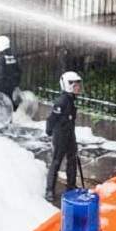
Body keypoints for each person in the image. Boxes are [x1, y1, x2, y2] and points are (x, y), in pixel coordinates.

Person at [45, 71, 82, 202]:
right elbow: (52, 119)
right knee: (56, 161)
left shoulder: (72, 100)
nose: (78, 87)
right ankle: (49, 190)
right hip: (60, 136)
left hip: (69, 134)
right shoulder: (61, 101)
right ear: (68, 85)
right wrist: (49, 131)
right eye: (75, 84)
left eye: (78, 84)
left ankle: (71, 186)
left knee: (72, 160)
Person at [0, 35, 22, 110]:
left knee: (3, 111)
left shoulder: (1, 59)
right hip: (13, 89)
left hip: (3, 90)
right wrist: (16, 85)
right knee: (11, 109)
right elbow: (19, 71)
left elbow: (0, 77)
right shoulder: (13, 57)